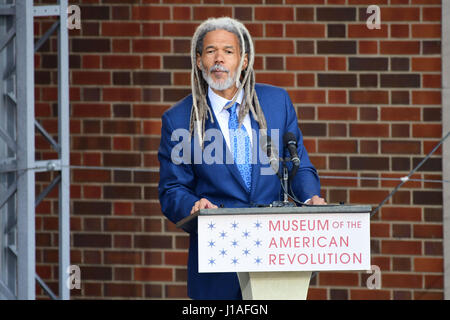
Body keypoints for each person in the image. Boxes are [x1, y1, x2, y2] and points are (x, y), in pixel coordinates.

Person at [158, 17, 326, 300]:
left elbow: (299, 165)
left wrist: (311, 198)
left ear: (244, 60)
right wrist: (193, 205)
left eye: (228, 51)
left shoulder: (276, 103)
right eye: (211, 51)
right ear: (199, 62)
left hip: (275, 254)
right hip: (217, 264)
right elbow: (172, 189)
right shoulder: (178, 119)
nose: (219, 59)